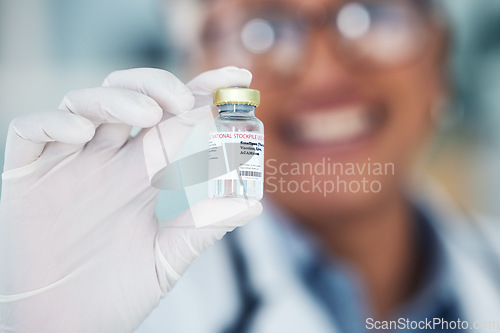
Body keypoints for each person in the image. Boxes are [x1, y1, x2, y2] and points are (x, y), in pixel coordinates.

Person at [0, 1, 499, 333]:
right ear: (198, 72)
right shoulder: (132, 311)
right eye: (264, 28)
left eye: (371, 13)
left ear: (441, 61)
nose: (325, 72)